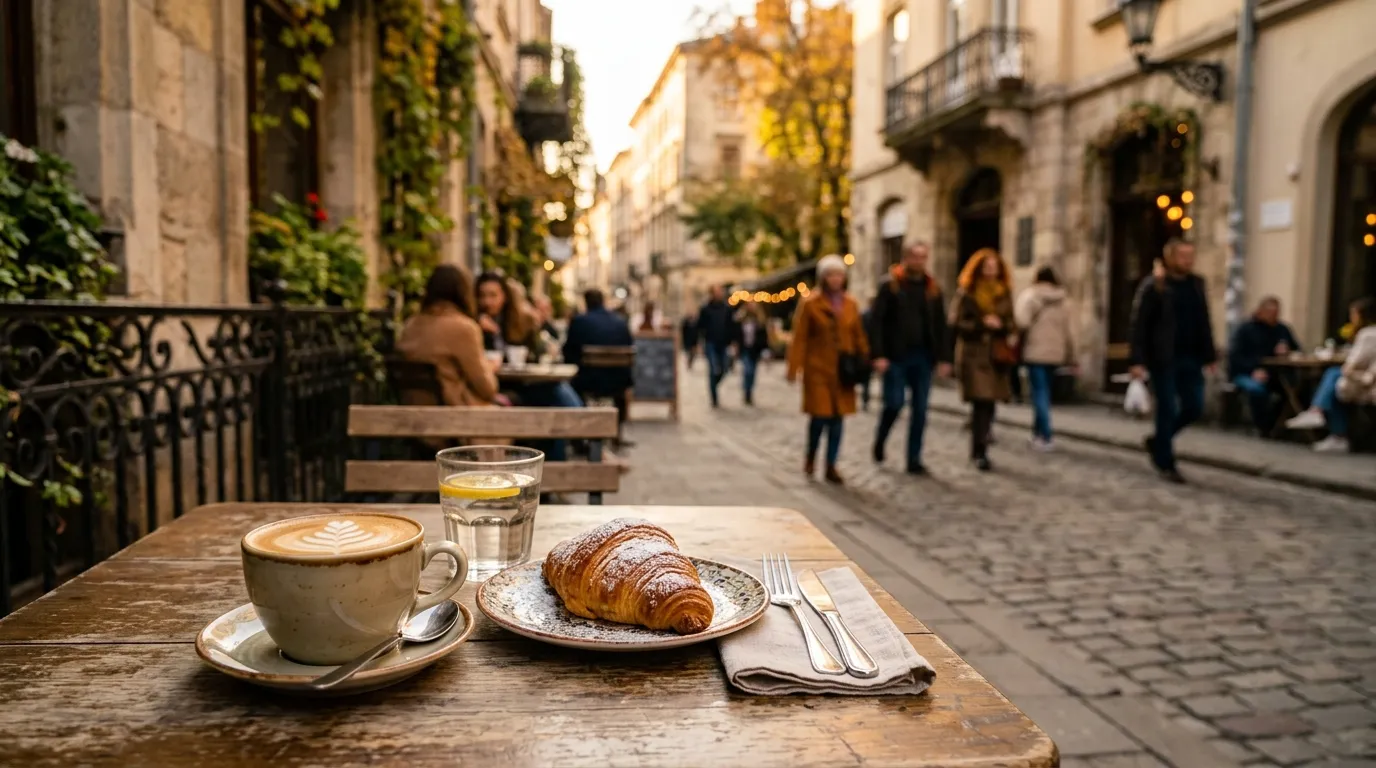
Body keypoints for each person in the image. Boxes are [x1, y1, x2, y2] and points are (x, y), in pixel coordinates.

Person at [1128, 239, 1219, 484]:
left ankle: (1158, 441)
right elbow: (1139, 324)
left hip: (1191, 356)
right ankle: (1166, 460)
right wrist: (1137, 360)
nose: (1188, 261)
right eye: (1183, 256)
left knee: (1194, 406)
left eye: (1191, 256)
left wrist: (1210, 355)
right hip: (1164, 357)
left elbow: (1204, 321)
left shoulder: (1197, 284)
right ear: (1171, 258)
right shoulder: (1155, 285)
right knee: (1167, 407)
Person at [868, 241, 952, 474]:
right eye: (915, 257)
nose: (919, 261)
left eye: (923, 257)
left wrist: (945, 358)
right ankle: (881, 439)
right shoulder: (890, 285)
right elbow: (876, 323)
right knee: (894, 404)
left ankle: (913, 458)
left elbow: (940, 324)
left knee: (921, 409)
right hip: (895, 357)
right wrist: (879, 354)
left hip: (923, 357)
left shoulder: (932, 288)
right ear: (906, 258)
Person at [786, 255, 868, 484]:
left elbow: (858, 334)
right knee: (820, 417)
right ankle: (811, 456)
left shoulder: (851, 303)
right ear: (823, 278)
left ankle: (831, 464)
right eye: (831, 274)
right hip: (818, 369)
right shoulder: (811, 303)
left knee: (838, 419)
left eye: (839, 274)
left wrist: (866, 358)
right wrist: (794, 367)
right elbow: (800, 338)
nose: (835, 279)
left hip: (843, 370)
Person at [395, 265, 501, 407]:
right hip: (452, 413)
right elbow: (487, 389)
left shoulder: (410, 325)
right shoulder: (464, 328)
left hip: (412, 410)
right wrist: (490, 367)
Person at [950, 248, 1017, 471]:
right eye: (987, 266)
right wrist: (981, 324)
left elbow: (1012, 322)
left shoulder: (1004, 292)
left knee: (990, 402)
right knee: (981, 401)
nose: (991, 270)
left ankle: (982, 442)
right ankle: (979, 450)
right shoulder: (967, 292)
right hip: (973, 353)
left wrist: (1002, 325)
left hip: (996, 355)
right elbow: (955, 323)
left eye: (994, 266)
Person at [1285, 297, 1376, 452]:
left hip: (1366, 384)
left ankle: (1328, 424)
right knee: (1333, 379)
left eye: (1353, 314)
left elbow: (1354, 362)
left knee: (1333, 377)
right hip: (1366, 380)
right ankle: (1323, 417)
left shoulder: (1369, 334)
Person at [1014, 266, 1078, 450]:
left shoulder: (1031, 296)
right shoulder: (1064, 300)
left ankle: (1046, 435)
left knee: (1039, 393)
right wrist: (1072, 356)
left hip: (1035, 352)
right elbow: (1070, 331)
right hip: (1055, 353)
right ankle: (1037, 433)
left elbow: (1022, 321)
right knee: (1044, 393)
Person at [565, 288, 636, 447]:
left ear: (586, 302)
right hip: (619, 381)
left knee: (570, 383)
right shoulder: (620, 321)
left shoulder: (579, 321)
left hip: (589, 381)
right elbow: (630, 345)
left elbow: (569, 352)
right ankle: (616, 434)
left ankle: (579, 437)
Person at [1228, 296, 1301, 435]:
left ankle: (1279, 425)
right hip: (1247, 372)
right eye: (1270, 313)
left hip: (1275, 373)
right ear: (1260, 311)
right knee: (1257, 390)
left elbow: (1297, 349)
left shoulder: (1282, 329)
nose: (1273, 317)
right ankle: (1263, 427)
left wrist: (1287, 350)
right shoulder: (1246, 329)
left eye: (1276, 313)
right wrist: (1252, 370)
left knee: (1294, 389)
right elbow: (1235, 357)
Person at [697, 284, 738, 408]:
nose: (719, 294)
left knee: (725, 368)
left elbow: (732, 326)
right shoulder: (705, 309)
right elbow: (700, 327)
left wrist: (734, 342)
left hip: (724, 343)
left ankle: (714, 385)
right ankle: (714, 396)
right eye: (717, 292)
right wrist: (699, 343)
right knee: (713, 368)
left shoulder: (727, 309)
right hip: (710, 343)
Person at [735, 302, 770, 405]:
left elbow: (764, 337)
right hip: (745, 349)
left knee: (753, 372)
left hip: (755, 350)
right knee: (747, 370)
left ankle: (749, 391)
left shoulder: (759, 321)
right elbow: (737, 334)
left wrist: (766, 350)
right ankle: (746, 390)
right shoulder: (741, 320)